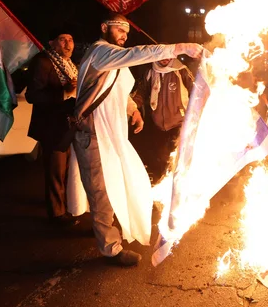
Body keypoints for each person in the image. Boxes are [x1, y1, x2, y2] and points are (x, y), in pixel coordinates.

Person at [71, 13, 202, 267]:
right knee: (101, 192)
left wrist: (133, 112)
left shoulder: (110, 58)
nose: (124, 36)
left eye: (127, 33)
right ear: (103, 27)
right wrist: (179, 48)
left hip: (111, 132)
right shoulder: (101, 52)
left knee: (110, 184)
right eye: (120, 30)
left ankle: (102, 227)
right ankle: (110, 247)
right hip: (95, 133)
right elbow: (136, 54)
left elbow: (116, 90)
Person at [26, 33, 79, 226]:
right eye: (63, 39)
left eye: (71, 40)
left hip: (68, 125)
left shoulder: (72, 65)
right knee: (56, 170)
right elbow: (33, 95)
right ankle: (57, 214)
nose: (68, 44)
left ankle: (60, 202)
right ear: (51, 42)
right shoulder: (43, 62)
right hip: (52, 125)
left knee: (66, 169)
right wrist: (64, 92)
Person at [137, 54, 194, 179]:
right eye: (162, 56)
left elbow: (194, 89)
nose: (165, 59)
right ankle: (161, 182)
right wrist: (133, 106)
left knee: (177, 157)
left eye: (168, 56)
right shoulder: (151, 72)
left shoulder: (181, 70)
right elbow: (141, 91)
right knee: (160, 156)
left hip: (178, 122)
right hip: (157, 123)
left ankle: (179, 182)